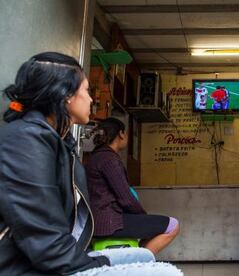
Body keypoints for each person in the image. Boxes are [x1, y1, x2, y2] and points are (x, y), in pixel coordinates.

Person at [0, 52, 182, 275]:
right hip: (29, 268)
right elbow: (44, 239)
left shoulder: (58, 142)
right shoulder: (26, 140)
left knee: (143, 257)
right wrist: (100, 265)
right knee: (165, 272)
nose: (91, 99)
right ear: (66, 94)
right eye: (86, 90)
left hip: (62, 255)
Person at [86, 117, 180, 255]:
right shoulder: (109, 159)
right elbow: (126, 198)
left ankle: (136, 257)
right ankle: (138, 263)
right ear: (121, 134)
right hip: (109, 223)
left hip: (98, 221)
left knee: (153, 226)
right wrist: (142, 216)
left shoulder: (96, 157)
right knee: (173, 225)